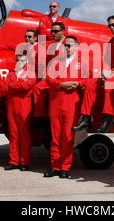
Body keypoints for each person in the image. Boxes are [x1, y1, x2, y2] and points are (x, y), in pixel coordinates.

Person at [73, 15, 114, 131]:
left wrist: (111, 72)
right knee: (90, 83)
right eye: (110, 25)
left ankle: (107, 118)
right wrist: (104, 72)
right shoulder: (111, 42)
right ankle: (86, 118)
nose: (112, 28)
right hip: (112, 73)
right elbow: (107, 61)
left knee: (110, 81)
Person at [44, 36, 88, 179]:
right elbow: (49, 78)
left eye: (70, 45)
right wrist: (60, 85)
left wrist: (79, 84)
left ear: (77, 46)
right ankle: (54, 166)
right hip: (56, 103)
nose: (67, 48)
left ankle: (65, 167)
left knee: (68, 137)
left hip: (71, 103)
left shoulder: (82, 63)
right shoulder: (56, 62)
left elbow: (87, 80)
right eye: (66, 45)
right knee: (55, 137)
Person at [3, 54, 37, 171]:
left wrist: (12, 85)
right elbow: (4, 87)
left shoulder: (31, 73)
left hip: (24, 106)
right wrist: (16, 85)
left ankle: (24, 161)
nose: (19, 62)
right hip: (11, 105)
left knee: (24, 135)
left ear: (26, 61)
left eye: (22, 60)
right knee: (13, 135)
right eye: (17, 60)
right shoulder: (11, 73)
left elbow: (26, 86)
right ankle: (13, 161)